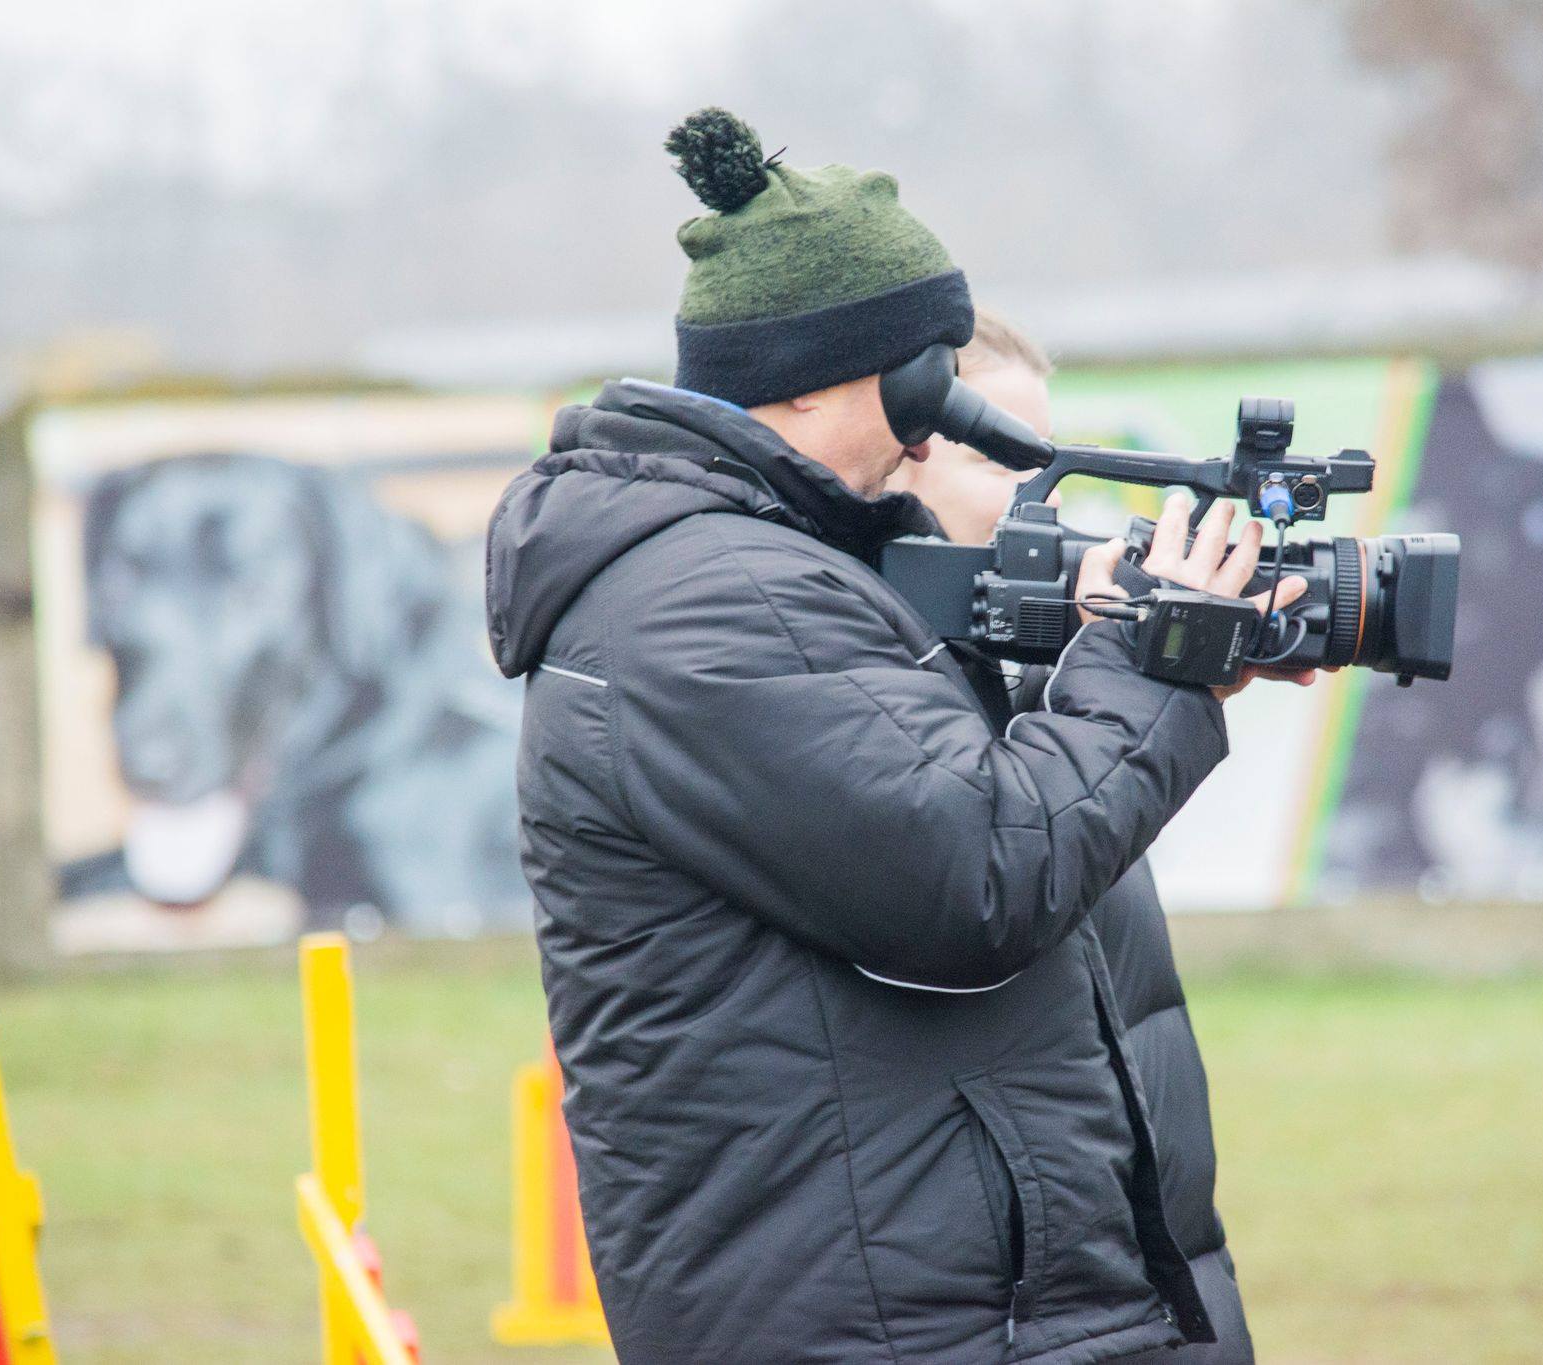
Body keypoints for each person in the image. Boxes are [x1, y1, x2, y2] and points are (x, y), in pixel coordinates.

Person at [485, 108, 1311, 1363]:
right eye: (919, 380)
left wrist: (1118, 650)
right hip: (885, 1324)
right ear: (811, 377)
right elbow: (976, 872)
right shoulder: (717, 603)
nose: (932, 431)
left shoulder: (775, 577)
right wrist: (1151, 665)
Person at [886, 310, 1267, 1363]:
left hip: (1149, 1285)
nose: (1040, 503)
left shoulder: (1023, 685)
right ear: (891, 456)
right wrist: (1138, 678)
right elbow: (996, 870)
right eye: (999, 460)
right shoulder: (864, 700)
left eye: (1045, 466)